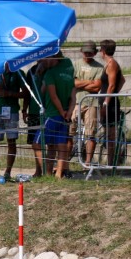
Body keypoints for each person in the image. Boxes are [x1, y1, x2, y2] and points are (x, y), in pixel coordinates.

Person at [40, 51, 76, 179]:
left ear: (54, 58)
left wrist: (61, 111)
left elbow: (53, 96)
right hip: (65, 116)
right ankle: (59, 174)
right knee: (62, 147)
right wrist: (68, 112)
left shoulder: (50, 74)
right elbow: (73, 97)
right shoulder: (68, 71)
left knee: (49, 146)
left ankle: (48, 173)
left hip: (52, 114)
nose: (43, 61)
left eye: (45, 58)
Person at [69, 41, 103, 168]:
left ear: (94, 53)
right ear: (81, 51)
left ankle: (88, 162)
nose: (87, 54)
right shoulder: (76, 64)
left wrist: (80, 82)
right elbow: (73, 83)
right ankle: (65, 161)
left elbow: (97, 87)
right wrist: (90, 82)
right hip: (76, 101)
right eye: (85, 52)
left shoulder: (99, 67)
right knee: (70, 132)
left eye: (90, 52)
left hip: (91, 103)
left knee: (90, 133)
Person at [98, 39, 126, 168]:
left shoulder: (111, 64)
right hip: (108, 101)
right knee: (108, 133)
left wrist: (106, 102)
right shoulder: (109, 64)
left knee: (110, 134)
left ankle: (111, 163)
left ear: (103, 51)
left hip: (109, 105)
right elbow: (122, 80)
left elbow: (112, 84)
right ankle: (110, 162)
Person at [0, 67, 23, 180]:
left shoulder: (18, 73)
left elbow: (25, 93)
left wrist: (9, 94)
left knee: (11, 141)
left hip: (12, 111)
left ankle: (8, 171)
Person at [23, 62, 45, 178]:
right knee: (34, 143)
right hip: (33, 111)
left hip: (48, 112)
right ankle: (39, 170)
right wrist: (24, 109)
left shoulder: (50, 68)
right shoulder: (31, 71)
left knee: (50, 143)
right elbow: (27, 91)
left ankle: (48, 169)